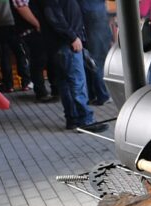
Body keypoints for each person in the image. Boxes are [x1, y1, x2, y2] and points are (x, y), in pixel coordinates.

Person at [43, 0, 107, 131]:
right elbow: (56, 18)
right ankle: (86, 120)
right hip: (66, 43)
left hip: (59, 44)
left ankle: (73, 119)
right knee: (77, 82)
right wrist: (73, 37)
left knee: (66, 83)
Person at [11, 0, 53, 101]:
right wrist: (38, 24)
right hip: (30, 30)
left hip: (40, 29)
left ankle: (53, 89)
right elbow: (21, 8)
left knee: (48, 59)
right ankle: (41, 92)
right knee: (38, 60)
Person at [77, 0, 111, 105]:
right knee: (98, 61)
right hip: (97, 20)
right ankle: (102, 94)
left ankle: (93, 94)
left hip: (87, 22)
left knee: (91, 60)